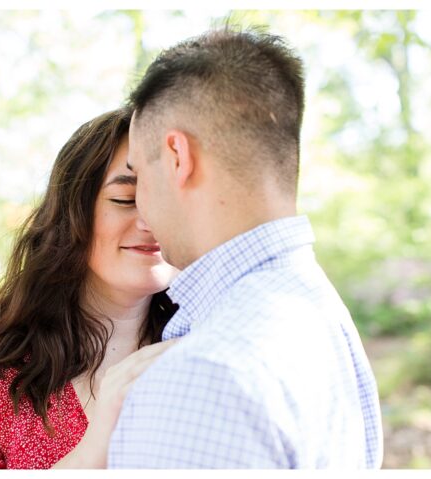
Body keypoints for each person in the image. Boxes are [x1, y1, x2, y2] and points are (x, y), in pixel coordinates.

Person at [106, 26, 383, 468]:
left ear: (178, 156)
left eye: (139, 176)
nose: (141, 209)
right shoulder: (319, 312)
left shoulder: (198, 378)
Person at [0, 107, 180, 469]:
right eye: (125, 199)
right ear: (72, 215)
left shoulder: (209, 346)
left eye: (169, 200)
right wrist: (95, 447)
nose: (151, 220)